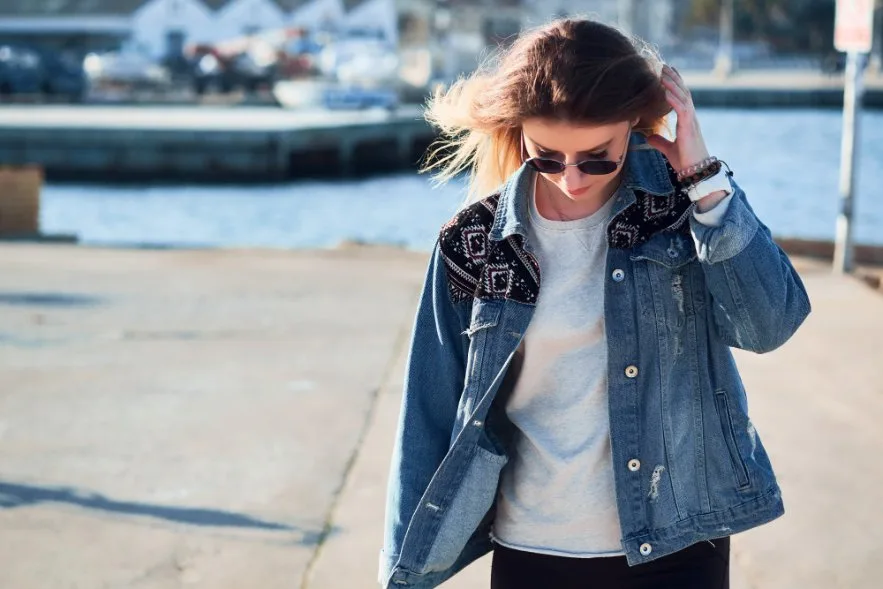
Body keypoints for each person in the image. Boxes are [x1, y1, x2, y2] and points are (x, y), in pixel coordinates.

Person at [380, 17, 811, 589]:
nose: (573, 178)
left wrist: (705, 181)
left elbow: (769, 325)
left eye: (598, 156)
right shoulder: (475, 242)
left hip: (679, 541)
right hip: (533, 544)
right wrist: (401, 573)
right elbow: (429, 412)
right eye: (548, 157)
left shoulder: (683, 208)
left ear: (634, 123)